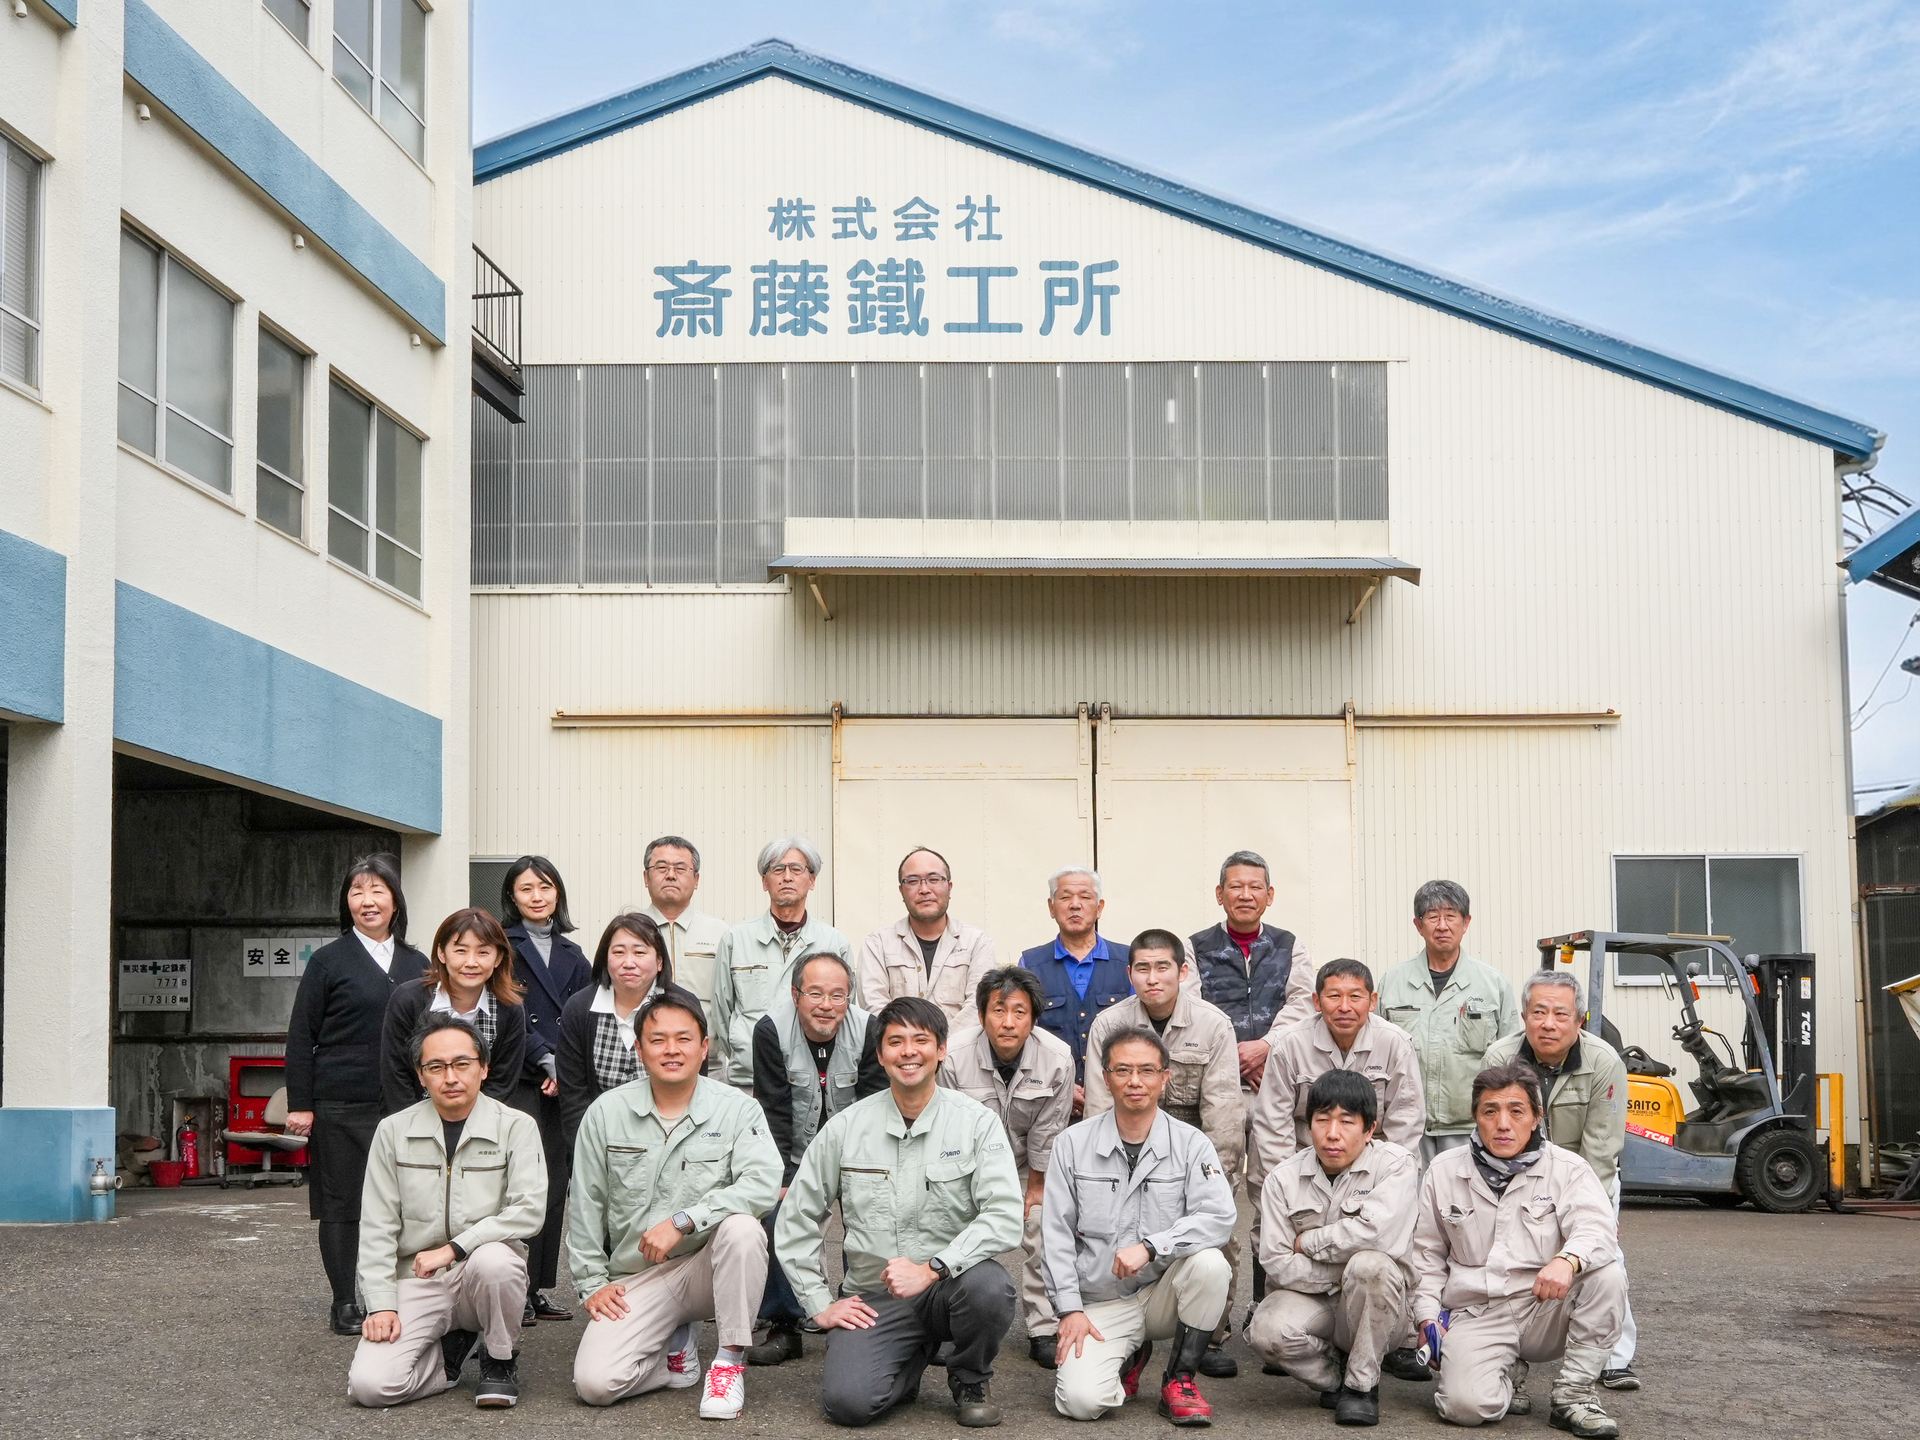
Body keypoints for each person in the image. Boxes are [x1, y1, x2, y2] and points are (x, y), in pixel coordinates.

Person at [776, 997, 1023, 1429]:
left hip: (949, 1287)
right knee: (848, 1405)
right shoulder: (846, 1128)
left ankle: (970, 1377)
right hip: (875, 1299)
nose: (909, 1051)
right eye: (895, 1042)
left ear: (941, 1050)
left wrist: (932, 1268)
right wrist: (819, 1305)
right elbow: (796, 1217)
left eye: (920, 1040)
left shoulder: (976, 1123)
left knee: (990, 1288)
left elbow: (1004, 1215)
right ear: (880, 1054)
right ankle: (907, 1357)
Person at [569, 993, 782, 1418]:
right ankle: (672, 1355)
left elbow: (763, 1184)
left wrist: (685, 1220)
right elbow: (585, 1205)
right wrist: (591, 1282)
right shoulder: (606, 1113)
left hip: (707, 1268)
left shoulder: (738, 1109)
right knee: (596, 1385)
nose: (671, 1050)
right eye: (658, 1039)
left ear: (704, 1048)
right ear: (639, 1048)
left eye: (684, 1039)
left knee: (743, 1229)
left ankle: (728, 1363)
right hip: (637, 1276)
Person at [1410, 1062, 1627, 1438]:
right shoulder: (1443, 1171)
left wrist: (1567, 1260)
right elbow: (1426, 1256)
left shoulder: (1568, 1169)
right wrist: (1427, 1318)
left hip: (1545, 1308)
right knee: (1464, 1407)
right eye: (1490, 1111)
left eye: (1516, 1111)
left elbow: (1598, 1228)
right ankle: (1506, 1373)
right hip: (1478, 1313)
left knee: (1607, 1275)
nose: (1503, 1124)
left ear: (1536, 1117)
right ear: (1475, 1117)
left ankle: (1574, 1396)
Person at [347, 1015, 548, 1409]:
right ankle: (448, 1356)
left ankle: (499, 1359)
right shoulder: (393, 1130)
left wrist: (455, 1248)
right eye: (436, 1067)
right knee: (372, 1387)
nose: (450, 1077)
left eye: (462, 1064)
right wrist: (381, 1302)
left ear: (484, 1068)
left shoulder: (516, 1126)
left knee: (496, 1261)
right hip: (417, 1280)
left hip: (483, 1276)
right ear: (420, 1075)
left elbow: (528, 1211)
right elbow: (376, 1224)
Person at [1043, 1026, 1237, 1426]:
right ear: (1105, 1078)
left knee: (1211, 1264)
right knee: (1081, 1403)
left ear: (1164, 1078)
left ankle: (1179, 1379)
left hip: (1163, 1295)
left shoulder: (1192, 1144)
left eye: (1147, 1070)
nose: (1135, 1081)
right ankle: (1129, 1356)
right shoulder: (1071, 1144)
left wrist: (1152, 1246)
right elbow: (1056, 1236)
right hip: (1100, 1301)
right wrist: (1069, 1310)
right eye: (1123, 1070)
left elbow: (1219, 1217)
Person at [1248, 957, 1429, 1386]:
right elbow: (1272, 1121)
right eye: (1333, 996)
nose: (1344, 1006)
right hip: (1302, 1160)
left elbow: (1405, 1118)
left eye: (1355, 996)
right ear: (1316, 1001)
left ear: (1373, 1000)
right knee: (1272, 1237)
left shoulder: (1395, 1042)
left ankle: (1393, 1338)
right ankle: (1286, 1320)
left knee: (1378, 1257)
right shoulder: (1290, 1043)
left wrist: (1387, 1178)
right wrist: (1288, 1183)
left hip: (1371, 1166)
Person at [1084, 930, 1244, 1379]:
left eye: (1162, 967)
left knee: (1216, 1243)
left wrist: (1216, 1180)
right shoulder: (1108, 1025)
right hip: (1125, 1156)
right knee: (1116, 1232)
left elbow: (1224, 1113)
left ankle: (1208, 1335)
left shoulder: (1213, 1025)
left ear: (1183, 971)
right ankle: (1129, 1331)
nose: (1152, 978)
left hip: (1191, 1158)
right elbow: (1098, 1107)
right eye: (1143, 968)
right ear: (1129, 973)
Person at [285, 854, 430, 1335]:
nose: (367, 901)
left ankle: (397, 1294)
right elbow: (300, 1035)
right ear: (346, 903)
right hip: (341, 1103)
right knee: (343, 1204)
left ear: (395, 901)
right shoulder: (328, 961)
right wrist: (301, 1104)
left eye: (377, 890)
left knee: (406, 1204)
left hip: (404, 1103)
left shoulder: (417, 963)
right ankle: (344, 1301)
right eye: (356, 892)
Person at [1482, 971, 1636, 1395]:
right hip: (1515, 1175)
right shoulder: (1499, 1056)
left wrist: (1595, 1214)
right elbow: (1492, 1128)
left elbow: (1601, 1147)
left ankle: (1613, 1358)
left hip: (1585, 1175)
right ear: (1524, 1017)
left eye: (1560, 1014)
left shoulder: (1604, 1062)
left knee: (1603, 1258)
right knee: (1509, 1255)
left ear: (1579, 1020)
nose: (1548, 1023)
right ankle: (1508, 1353)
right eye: (1539, 1012)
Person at [1246, 1069, 1421, 1427]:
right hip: (1313, 1302)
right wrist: (1342, 1275)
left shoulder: (1396, 1166)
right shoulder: (1282, 1179)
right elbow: (1276, 1261)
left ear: (1370, 1129)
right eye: (1322, 1120)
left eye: (1347, 1121)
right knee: (1264, 1331)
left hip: (1381, 1305)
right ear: (1308, 1125)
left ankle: (1361, 1387)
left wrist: (1309, 1243)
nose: (1332, 1133)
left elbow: (1377, 1236)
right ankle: (1334, 1375)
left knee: (1371, 1267)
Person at [1185, 850, 1314, 1320]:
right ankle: (1210, 1322)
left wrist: (1266, 1047)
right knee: (1213, 1194)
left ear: (1269, 895)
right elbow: (1192, 1006)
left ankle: (1268, 1308)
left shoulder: (1290, 946)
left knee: (1275, 1194)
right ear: (1220, 894)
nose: (1245, 895)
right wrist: (1233, 1056)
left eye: (1255, 886)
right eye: (1235, 887)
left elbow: (1303, 1003)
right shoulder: (1194, 947)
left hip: (1273, 1084)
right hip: (1217, 1088)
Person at [748, 951, 887, 1367]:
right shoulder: (770, 1030)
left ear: (849, 998)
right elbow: (772, 1109)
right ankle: (785, 1323)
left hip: (859, 1151)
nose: (826, 1005)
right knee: (778, 1213)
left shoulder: (870, 1030)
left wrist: (867, 1171)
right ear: (796, 995)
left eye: (837, 995)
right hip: (796, 1153)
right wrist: (782, 1176)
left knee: (873, 1212)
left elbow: (875, 1105)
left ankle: (859, 1310)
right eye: (815, 994)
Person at [938, 967, 1076, 1370]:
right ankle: (947, 1325)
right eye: (999, 1010)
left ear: (1033, 1018)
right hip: (967, 1165)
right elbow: (949, 1128)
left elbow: (1050, 1130)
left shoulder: (1057, 1058)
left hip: (1028, 1166)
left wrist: (1036, 1188)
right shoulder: (954, 1056)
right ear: (982, 1014)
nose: (1009, 1022)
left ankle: (1044, 1327)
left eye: (1020, 1011)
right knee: (947, 1225)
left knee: (1045, 1224)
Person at [500, 855, 594, 1326]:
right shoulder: (501, 945)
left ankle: (535, 1287)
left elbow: (585, 1014)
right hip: (520, 1076)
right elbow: (507, 1008)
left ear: (558, 893)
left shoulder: (574, 953)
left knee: (555, 1185)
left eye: (545, 887)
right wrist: (545, 1057)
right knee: (520, 1185)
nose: (537, 897)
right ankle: (511, 1285)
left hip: (563, 1082)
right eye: (526, 889)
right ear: (512, 897)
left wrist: (565, 1064)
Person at [1377, 881, 1519, 1163]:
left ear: (1466, 923)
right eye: (1433, 917)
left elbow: (1511, 1060)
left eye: (1451, 916)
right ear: (1418, 925)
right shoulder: (1392, 983)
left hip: (1472, 1129)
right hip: (1406, 1131)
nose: (1442, 925)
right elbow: (1377, 1054)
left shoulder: (1493, 985)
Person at [555, 912, 704, 1152]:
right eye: (618, 952)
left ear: (659, 961)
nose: (628, 962)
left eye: (639, 952)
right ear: (605, 959)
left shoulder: (683, 1005)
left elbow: (695, 1082)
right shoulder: (579, 1008)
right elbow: (573, 1096)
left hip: (672, 1139)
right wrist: (589, 1151)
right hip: (600, 1140)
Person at [713, 836, 852, 1091]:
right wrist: (742, 1051)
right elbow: (722, 1011)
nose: (787, 877)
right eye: (778, 869)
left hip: (812, 1080)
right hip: (749, 1079)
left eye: (796, 869)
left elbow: (844, 1009)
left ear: (812, 880)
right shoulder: (736, 939)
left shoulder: (834, 942)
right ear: (764, 881)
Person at [381, 909, 527, 1115]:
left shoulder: (509, 1009)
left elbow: (503, 1084)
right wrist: (415, 1124)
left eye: (483, 952)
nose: (471, 962)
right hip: (414, 1120)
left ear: (498, 958)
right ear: (442, 953)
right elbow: (395, 1076)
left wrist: (473, 1125)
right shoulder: (408, 1000)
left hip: (482, 1122)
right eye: (461, 951)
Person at [857, 846, 1000, 1045]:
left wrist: (939, 1046)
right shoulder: (878, 945)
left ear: (949, 887)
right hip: (900, 1056)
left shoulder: (977, 943)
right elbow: (874, 1007)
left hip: (961, 1056)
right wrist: (913, 1045)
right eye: (913, 881)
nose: (924, 889)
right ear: (901, 891)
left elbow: (979, 1006)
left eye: (934, 879)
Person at [1018, 866, 1133, 1093]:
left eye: (1085, 897)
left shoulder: (1128, 962)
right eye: (1065, 897)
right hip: (1051, 1093)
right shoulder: (1030, 964)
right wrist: (1061, 1088)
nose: (1075, 905)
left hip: (1117, 1096)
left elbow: (1141, 1034)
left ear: (1099, 908)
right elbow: (1021, 1037)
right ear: (1051, 907)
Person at [637, 835, 728, 1016]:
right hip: (641, 1032)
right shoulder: (629, 930)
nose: (671, 875)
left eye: (680, 868)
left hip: (703, 1034)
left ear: (696, 880)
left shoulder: (720, 933)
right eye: (661, 868)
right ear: (646, 878)